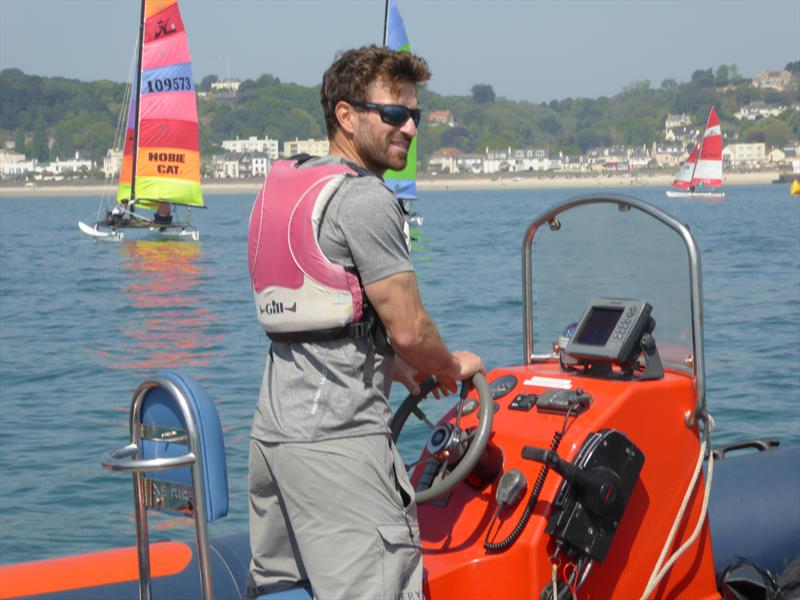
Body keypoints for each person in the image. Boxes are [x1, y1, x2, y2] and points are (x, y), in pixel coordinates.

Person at [246, 46, 484, 600]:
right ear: (346, 116)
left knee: (287, 590)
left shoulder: (285, 189)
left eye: (415, 116)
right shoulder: (366, 199)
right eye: (394, 114)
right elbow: (408, 325)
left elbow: (320, 318)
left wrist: (398, 368)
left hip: (274, 439)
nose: (408, 129)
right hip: (339, 442)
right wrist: (448, 365)